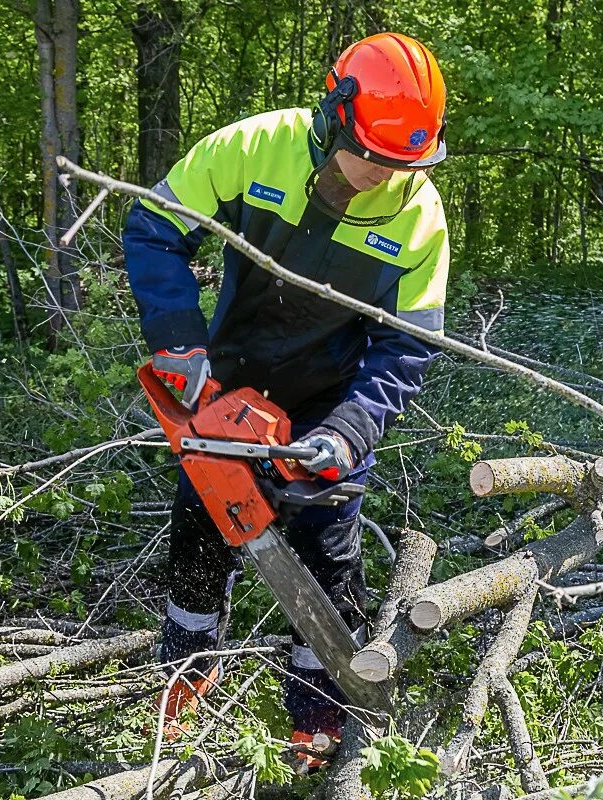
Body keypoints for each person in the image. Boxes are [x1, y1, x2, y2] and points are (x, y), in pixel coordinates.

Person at [121, 32, 450, 765]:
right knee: (200, 534)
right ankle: (185, 674)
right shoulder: (253, 148)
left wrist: (349, 433)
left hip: (332, 401)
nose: (385, 176)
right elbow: (152, 226)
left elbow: (408, 346)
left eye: (403, 164)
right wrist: (177, 339)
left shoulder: (418, 216)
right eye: (375, 156)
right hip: (230, 378)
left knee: (328, 557)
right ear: (335, 116)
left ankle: (320, 709)